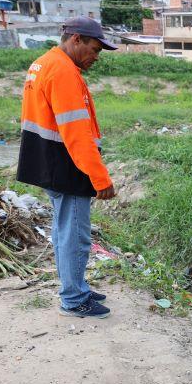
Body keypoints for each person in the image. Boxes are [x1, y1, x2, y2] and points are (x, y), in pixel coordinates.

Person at [17, 16, 118, 319]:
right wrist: (100, 178)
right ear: (76, 39)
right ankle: (74, 299)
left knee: (64, 230)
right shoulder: (62, 72)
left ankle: (77, 287)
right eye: (95, 49)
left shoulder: (44, 63)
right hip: (66, 164)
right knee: (75, 233)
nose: (96, 57)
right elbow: (76, 132)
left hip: (47, 159)